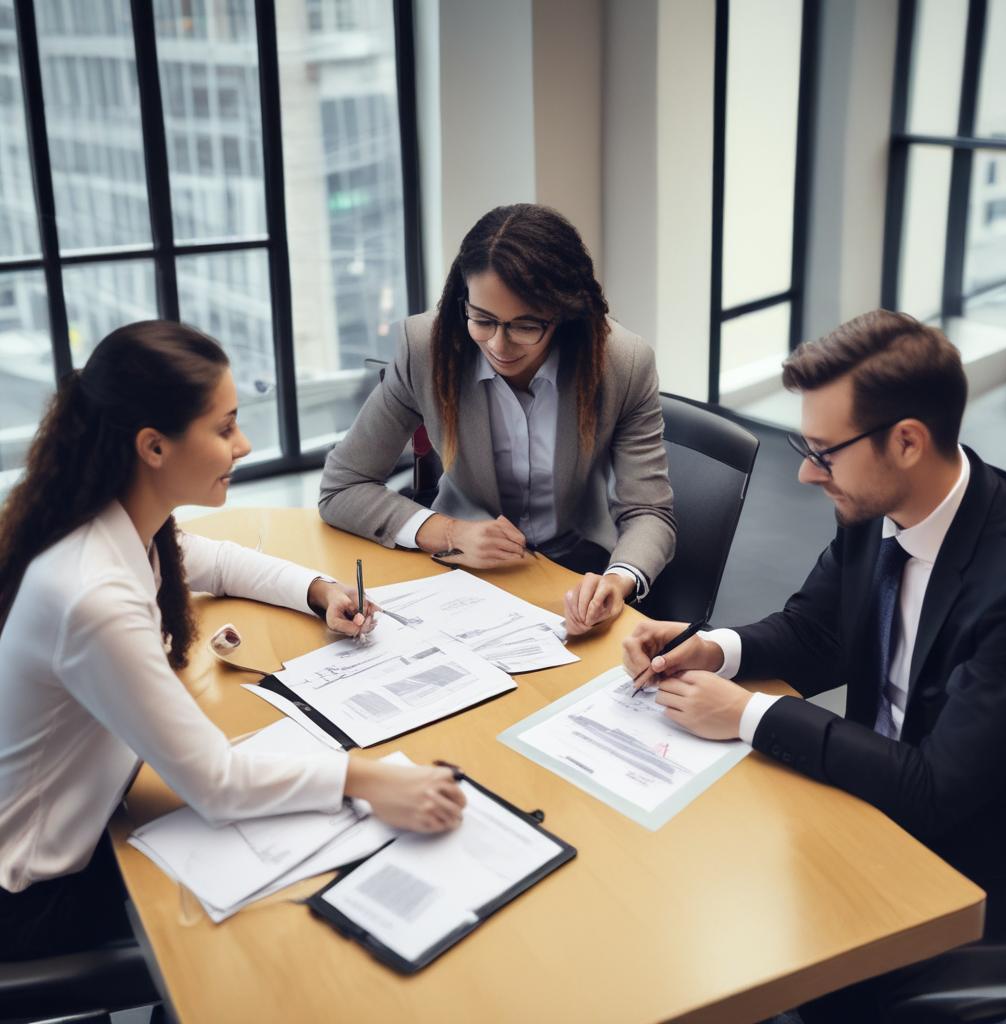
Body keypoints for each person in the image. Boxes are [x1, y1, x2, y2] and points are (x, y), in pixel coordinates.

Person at [0, 321, 466, 962]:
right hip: (34, 894)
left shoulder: (115, 522)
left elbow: (211, 560)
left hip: (100, 811)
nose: (244, 445)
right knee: (286, 942)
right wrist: (372, 780)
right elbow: (216, 784)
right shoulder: (91, 594)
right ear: (153, 447)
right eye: (224, 429)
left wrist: (320, 590)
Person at [622, 310, 1006, 1021]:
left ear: (906, 442)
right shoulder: (875, 507)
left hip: (972, 857)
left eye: (824, 452)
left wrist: (747, 712)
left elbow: (937, 790)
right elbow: (817, 633)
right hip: (867, 800)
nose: (806, 474)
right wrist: (714, 648)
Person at [319, 204, 676, 636]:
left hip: (572, 574)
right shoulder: (426, 349)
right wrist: (448, 531)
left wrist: (619, 581)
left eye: (525, 326)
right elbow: (343, 486)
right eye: (483, 320)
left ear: (563, 313)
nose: (499, 344)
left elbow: (649, 511)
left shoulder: (623, 363)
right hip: (458, 574)